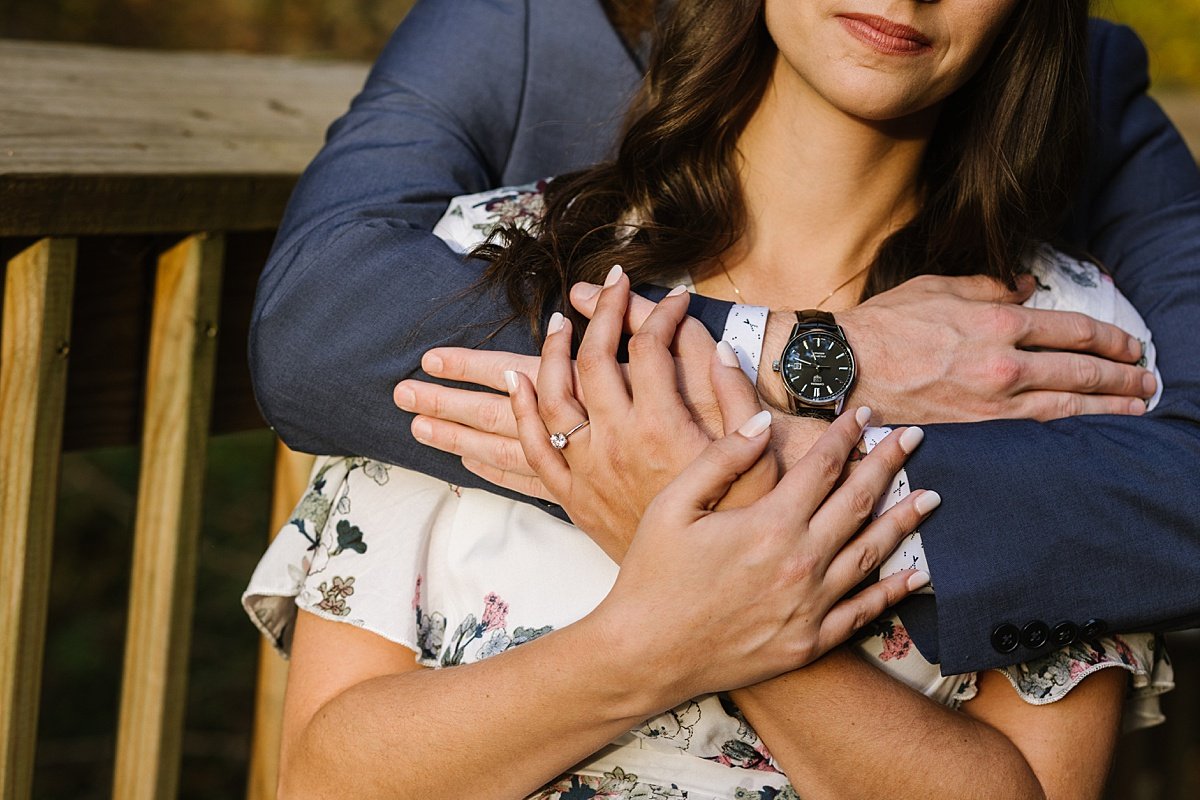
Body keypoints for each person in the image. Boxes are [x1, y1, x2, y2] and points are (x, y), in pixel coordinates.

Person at [244, 1, 1173, 797]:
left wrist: (690, 528)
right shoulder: (496, 263)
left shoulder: (1060, 344)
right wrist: (657, 637)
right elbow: (328, 773)